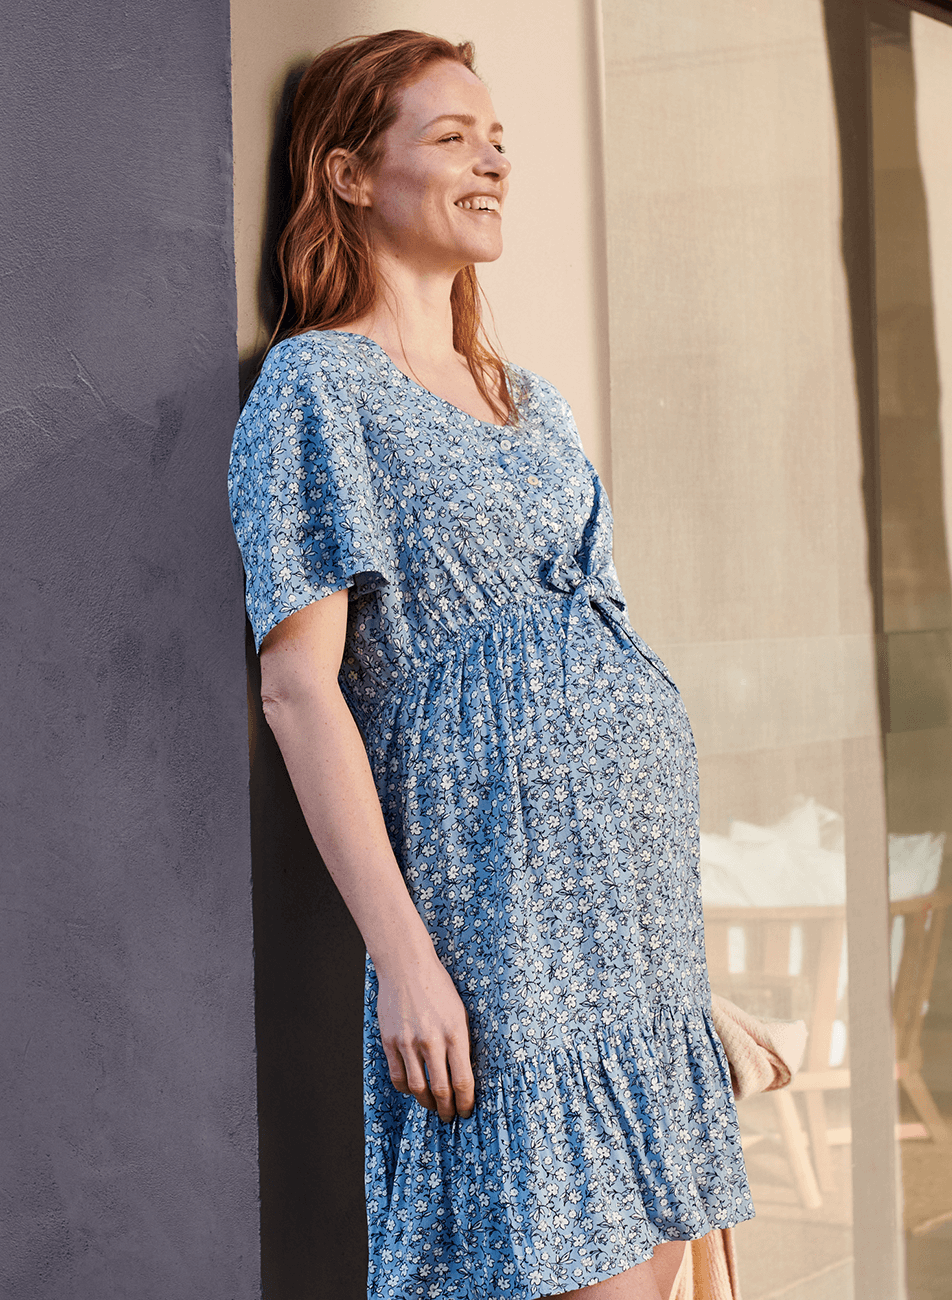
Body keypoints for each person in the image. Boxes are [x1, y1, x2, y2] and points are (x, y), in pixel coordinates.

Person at [227, 29, 753, 1300]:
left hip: (629, 937)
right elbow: (300, 689)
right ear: (350, 176)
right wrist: (403, 956)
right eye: (452, 138)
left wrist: (683, 977)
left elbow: (603, 646)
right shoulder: (317, 389)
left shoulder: (532, 401)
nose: (493, 162)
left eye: (498, 139)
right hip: (497, 924)